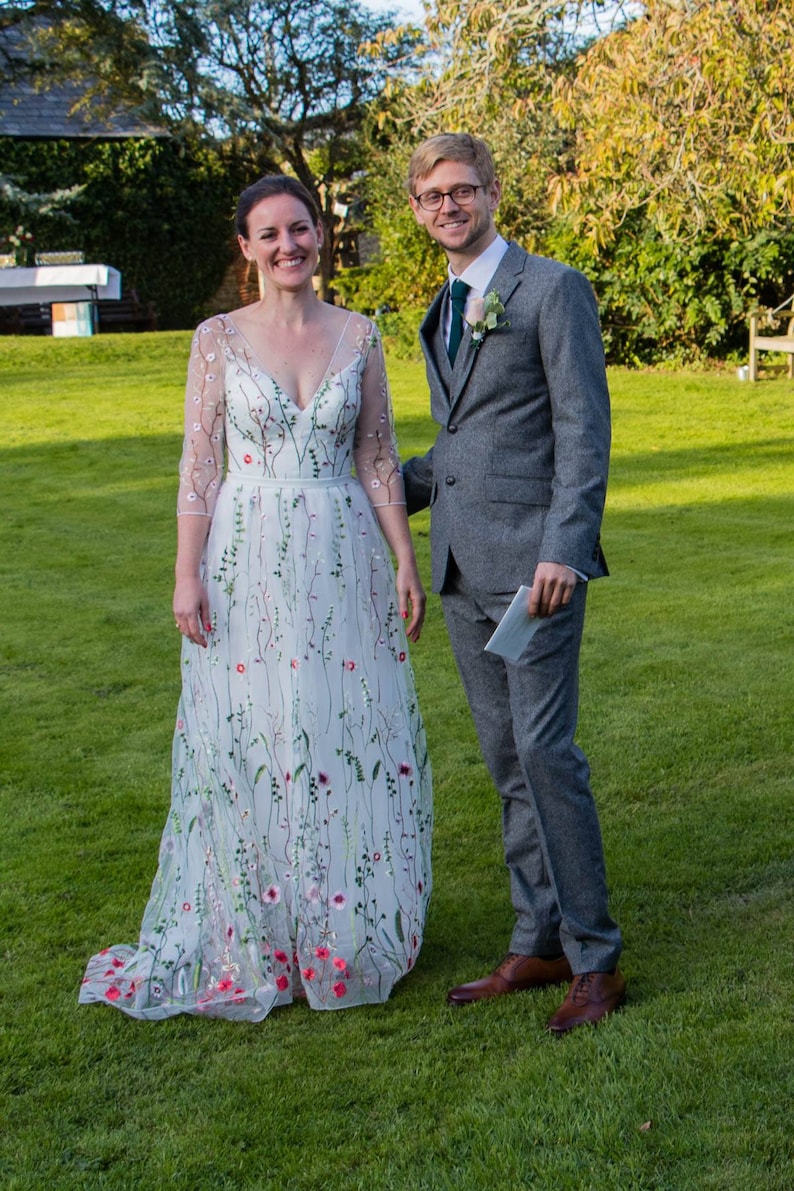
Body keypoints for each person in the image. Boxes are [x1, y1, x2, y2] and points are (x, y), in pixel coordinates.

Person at [79, 175, 432, 1021]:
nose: (287, 245)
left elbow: (378, 458)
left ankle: (340, 923)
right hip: (249, 558)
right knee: (252, 730)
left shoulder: (359, 334)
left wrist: (403, 558)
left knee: (339, 724)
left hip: (341, 557)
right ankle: (255, 924)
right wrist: (185, 570)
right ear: (246, 247)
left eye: (300, 229)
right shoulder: (217, 339)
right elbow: (199, 465)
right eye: (268, 234)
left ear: (321, 237)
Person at [402, 133, 624, 1033]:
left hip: (539, 572)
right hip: (461, 568)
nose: (448, 206)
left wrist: (565, 550)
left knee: (546, 755)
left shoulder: (551, 288)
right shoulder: (441, 306)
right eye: (432, 196)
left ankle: (596, 957)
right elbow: (460, 445)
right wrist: (359, 478)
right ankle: (536, 938)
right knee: (505, 764)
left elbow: (583, 428)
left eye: (463, 190)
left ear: (493, 193)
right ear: (417, 210)